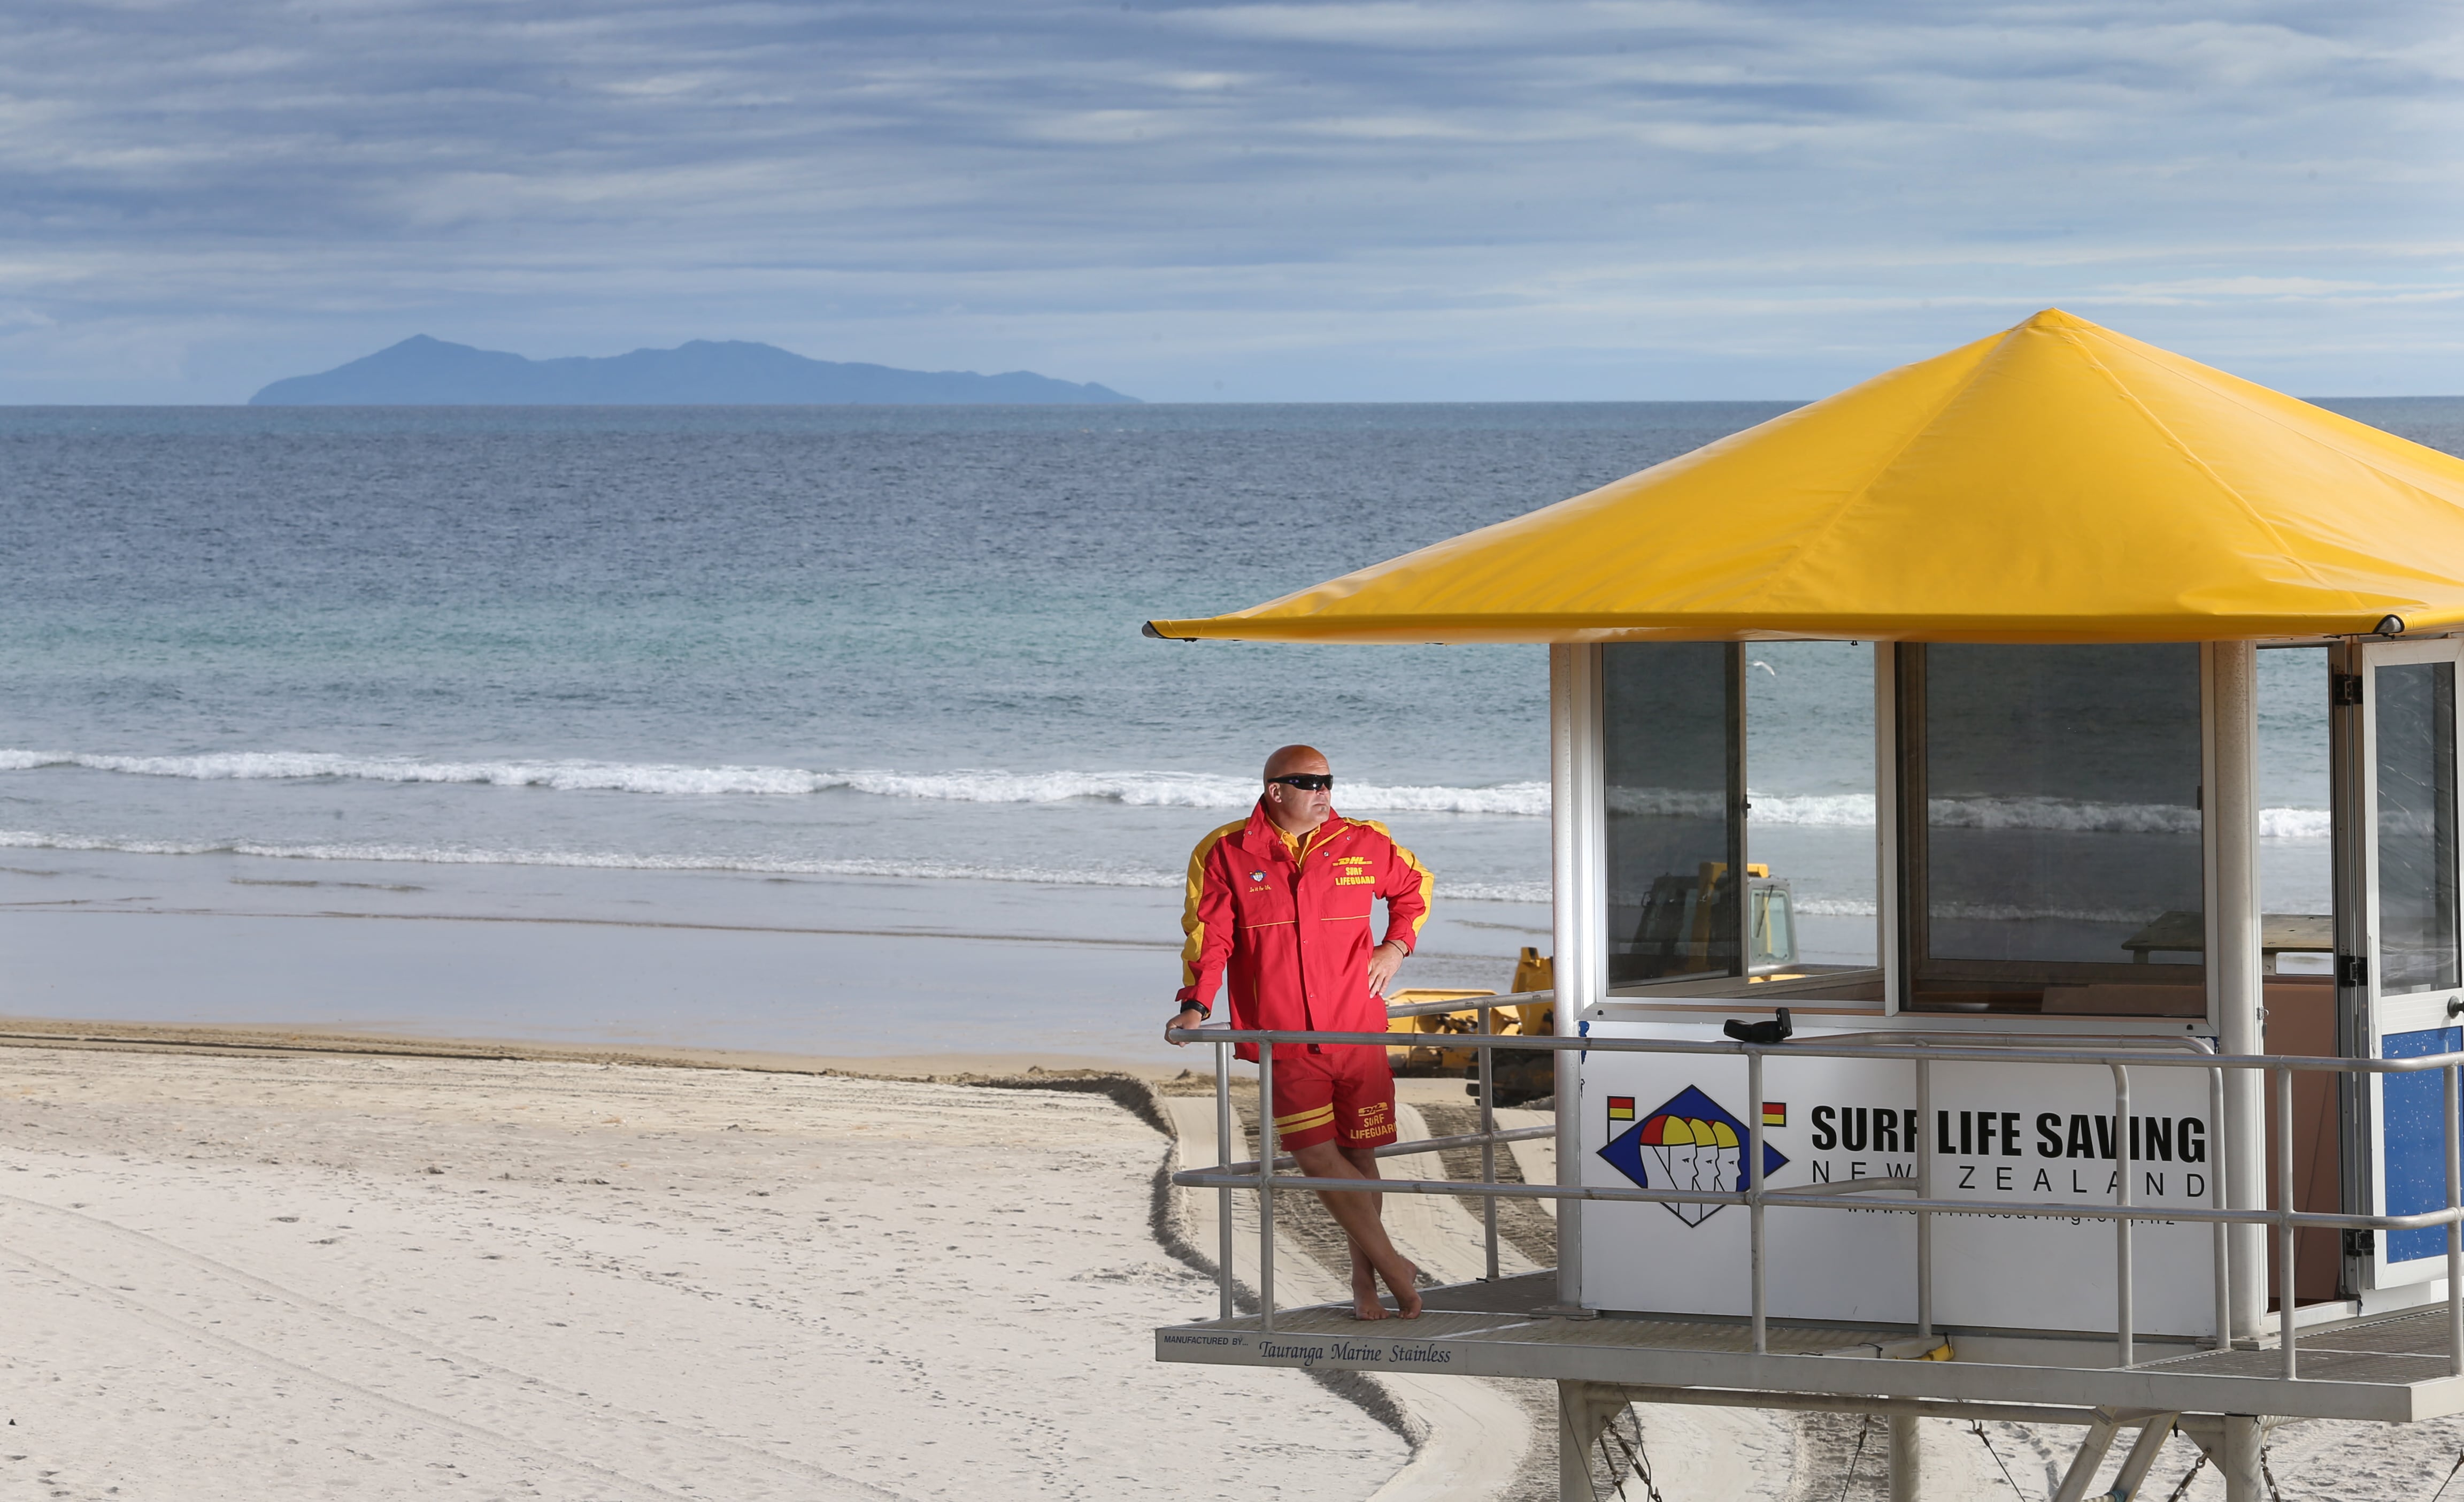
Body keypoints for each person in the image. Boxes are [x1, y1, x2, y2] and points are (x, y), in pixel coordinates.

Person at [1166, 745, 1434, 1320]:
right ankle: (1393, 1265)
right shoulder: (1225, 851)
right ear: (1275, 791)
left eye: (1329, 783)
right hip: (1284, 1036)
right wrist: (1196, 1004)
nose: (1324, 794)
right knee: (1316, 1157)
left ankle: (1366, 1284)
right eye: (1310, 784)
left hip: (1358, 1032)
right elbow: (1208, 936)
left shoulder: (1366, 841)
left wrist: (1396, 945)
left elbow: (1416, 888)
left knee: (1361, 1158)